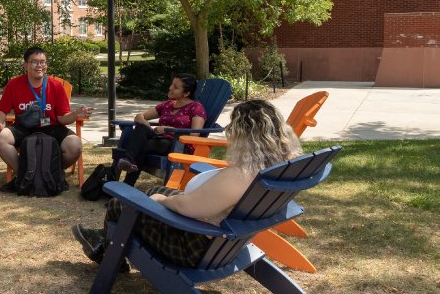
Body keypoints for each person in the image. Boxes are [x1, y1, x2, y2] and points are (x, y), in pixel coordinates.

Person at [72, 99, 302, 268]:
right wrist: (162, 196)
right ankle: (104, 244)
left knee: (120, 204)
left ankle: (108, 254)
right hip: (224, 242)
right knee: (153, 189)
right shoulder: (277, 168)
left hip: (193, 246)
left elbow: (186, 208)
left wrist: (162, 200)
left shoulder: (240, 176)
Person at [0, 46, 93, 173]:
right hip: (24, 127)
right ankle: (23, 173)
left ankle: (52, 173)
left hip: (51, 128)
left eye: (42, 62)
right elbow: (1, 110)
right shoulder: (14, 84)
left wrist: (76, 114)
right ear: (25, 65)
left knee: (75, 144)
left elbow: (62, 118)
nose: (39, 66)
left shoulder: (56, 86)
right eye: (34, 62)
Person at [115, 74, 206, 174]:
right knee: (141, 128)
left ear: (186, 93)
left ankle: (127, 169)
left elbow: (194, 136)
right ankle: (127, 161)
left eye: (175, 87)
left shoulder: (196, 107)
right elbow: (140, 116)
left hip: (177, 145)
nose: (170, 88)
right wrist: (145, 123)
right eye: (172, 84)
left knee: (139, 145)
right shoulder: (167, 105)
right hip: (158, 139)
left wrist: (169, 130)